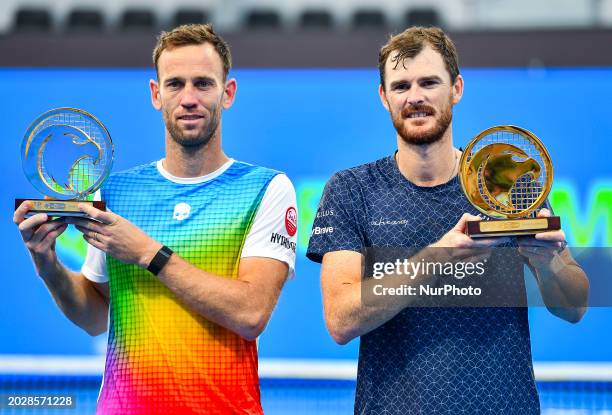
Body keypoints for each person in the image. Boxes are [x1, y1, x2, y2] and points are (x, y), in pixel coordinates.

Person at [14, 24, 297, 415]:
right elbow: (95, 317)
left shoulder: (265, 188)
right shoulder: (117, 193)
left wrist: (148, 252)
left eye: (203, 83)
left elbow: (250, 314)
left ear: (227, 93)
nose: (189, 98)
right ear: (156, 94)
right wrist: (47, 262)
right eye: (175, 84)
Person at [306, 26, 588, 414]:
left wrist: (546, 260)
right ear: (383, 97)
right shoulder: (353, 189)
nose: (416, 97)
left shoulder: (504, 180)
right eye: (401, 86)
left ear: (456, 88)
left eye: (429, 82)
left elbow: (574, 306)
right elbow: (340, 318)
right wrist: (439, 257)